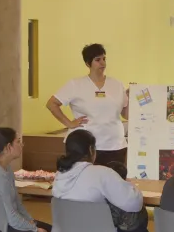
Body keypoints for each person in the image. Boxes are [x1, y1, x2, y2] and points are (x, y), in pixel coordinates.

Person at [47, 44, 129, 178]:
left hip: (115, 144)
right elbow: (52, 104)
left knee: (113, 183)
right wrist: (68, 123)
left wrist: (137, 100)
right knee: (86, 183)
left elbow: (125, 114)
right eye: (98, 60)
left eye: (104, 59)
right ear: (87, 63)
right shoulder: (75, 84)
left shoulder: (117, 84)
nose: (102, 63)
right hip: (86, 147)